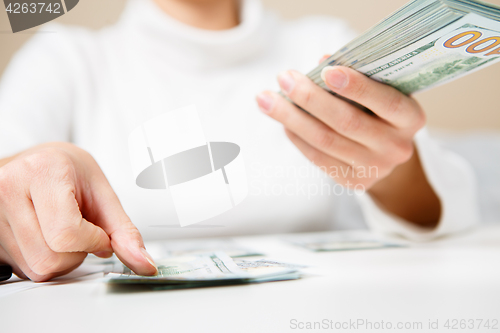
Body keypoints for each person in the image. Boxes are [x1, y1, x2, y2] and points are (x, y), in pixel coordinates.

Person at [0, 0, 479, 282]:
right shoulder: (66, 58)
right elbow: (8, 175)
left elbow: (444, 212)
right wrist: (24, 178)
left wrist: (388, 167)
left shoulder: (326, 46)